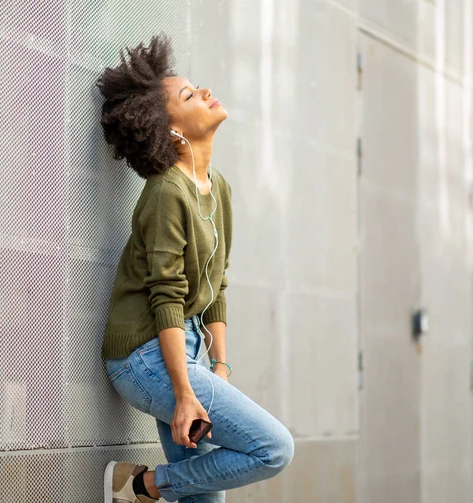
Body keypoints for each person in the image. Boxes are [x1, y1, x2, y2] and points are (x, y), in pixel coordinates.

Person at [95, 33, 294, 503]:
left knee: (207, 495)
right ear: (171, 131)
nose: (204, 92)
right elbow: (165, 297)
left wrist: (219, 366)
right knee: (273, 448)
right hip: (145, 357)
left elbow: (216, 285)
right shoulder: (166, 192)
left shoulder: (217, 187)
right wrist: (186, 392)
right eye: (189, 95)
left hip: (185, 353)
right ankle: (141, 486)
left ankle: (137, 487)